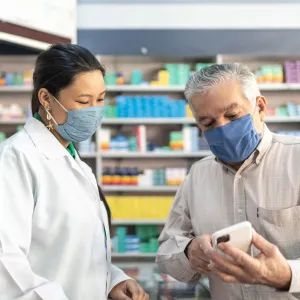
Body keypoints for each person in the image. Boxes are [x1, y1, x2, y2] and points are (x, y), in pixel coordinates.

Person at [0, 43, 149, 300]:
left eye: (100, 100)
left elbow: (73, 250)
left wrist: (112, 280)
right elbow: (6, 263)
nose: (94, 111)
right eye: (83, 101)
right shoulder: (16, 158)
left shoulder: (72, 158)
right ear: (46, 98)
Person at [156, 63, 300, 300]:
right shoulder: (198, 176)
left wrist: (287, 275)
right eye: (208, 123)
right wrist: (189, 251)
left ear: (260, 107)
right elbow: (165, 251)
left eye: (232, 115)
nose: (222, 128)